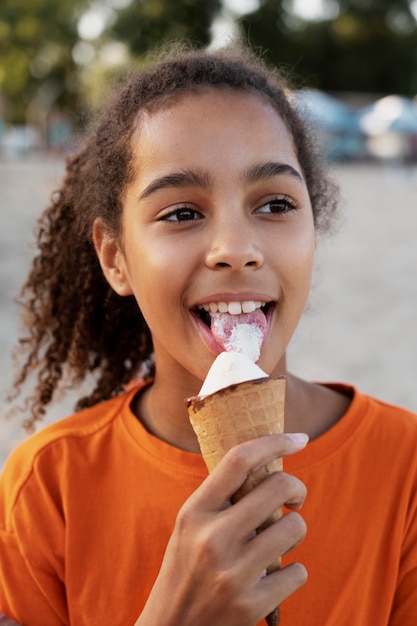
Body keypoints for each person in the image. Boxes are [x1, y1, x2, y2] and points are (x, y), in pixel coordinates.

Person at [0, 40, 416, 626]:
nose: (236, 250)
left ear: (313, 233)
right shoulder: (46, 488)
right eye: (181, 213)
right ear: (116, 258)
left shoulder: (405, 470)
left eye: (274, 204)